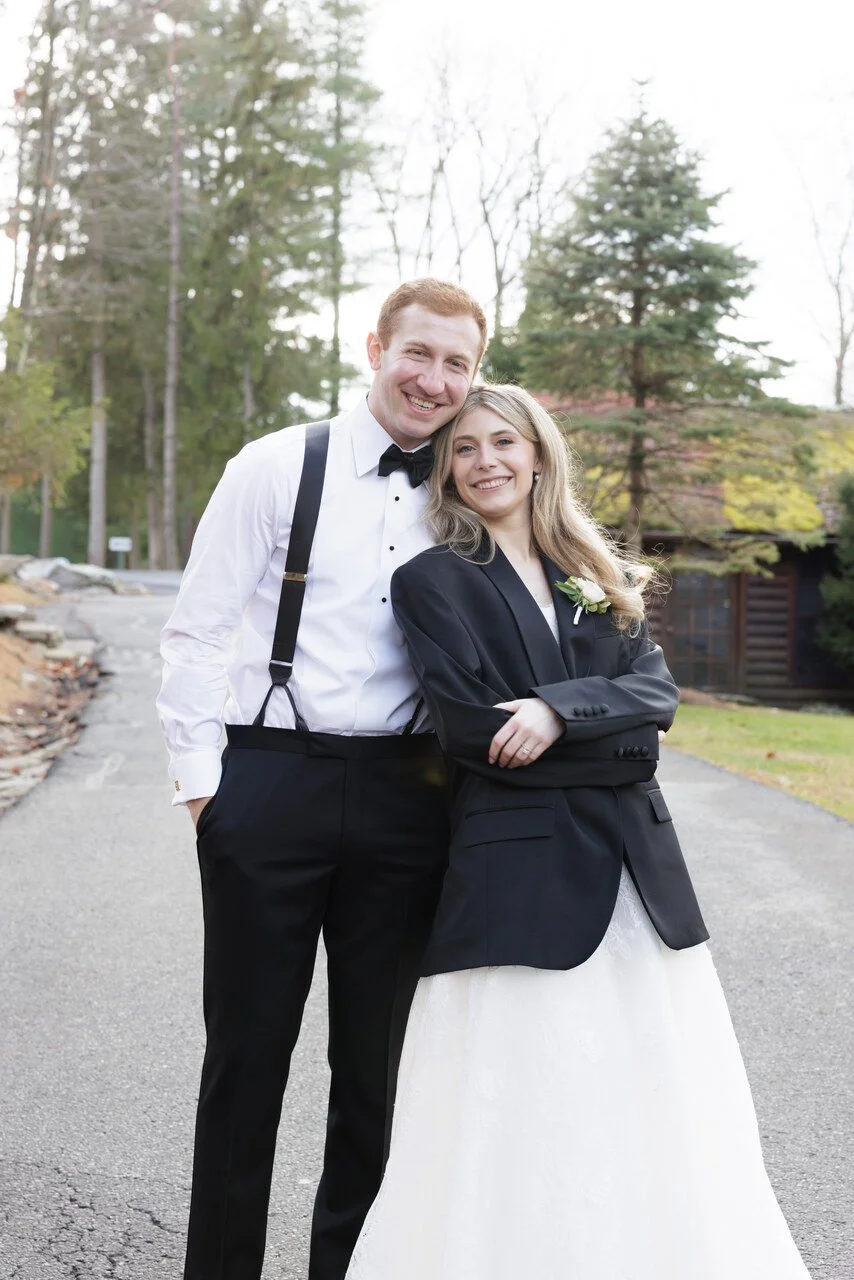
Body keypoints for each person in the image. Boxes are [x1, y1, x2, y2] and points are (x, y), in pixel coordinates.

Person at [345, 383, 812, 1280]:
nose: (487, 462)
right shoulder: (433, 583)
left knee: (654, 1104)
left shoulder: (598, 573)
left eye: (503, 442)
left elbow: (659, 699)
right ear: (445, 469)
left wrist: (558, 713)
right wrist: (610, 734)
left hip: (643, 882)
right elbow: (473, 734)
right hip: (518, 884)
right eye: (466, 449)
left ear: (539, 453)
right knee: (523, 1111)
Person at [156, 279, 487, 1280]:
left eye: (456, 364)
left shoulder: (470, 483)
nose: (432, 381)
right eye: (417, 353)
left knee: (374, 1072)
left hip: (409, 793)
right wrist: (206, 790)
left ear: (475, 373)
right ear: (376, 343)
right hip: (270, 782)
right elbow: (197, 628)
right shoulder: (275, 465)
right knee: (246, 1061)